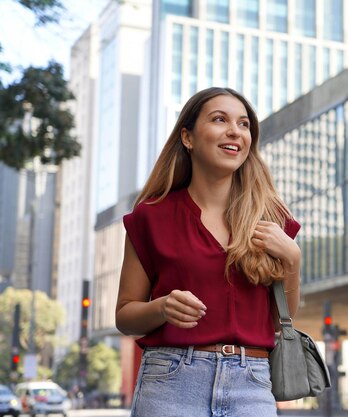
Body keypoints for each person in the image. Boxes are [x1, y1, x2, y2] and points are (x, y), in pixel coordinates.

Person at [115, 87, 302, 417]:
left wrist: (293, 260)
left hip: (252, 384)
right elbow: (125, 315)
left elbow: (280, 321)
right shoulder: (152, 216)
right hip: (171, 383)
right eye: (220, 119)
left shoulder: (272, 219)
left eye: (244, 124)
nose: (235, 131)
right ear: (187, 137)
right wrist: (162, 308)